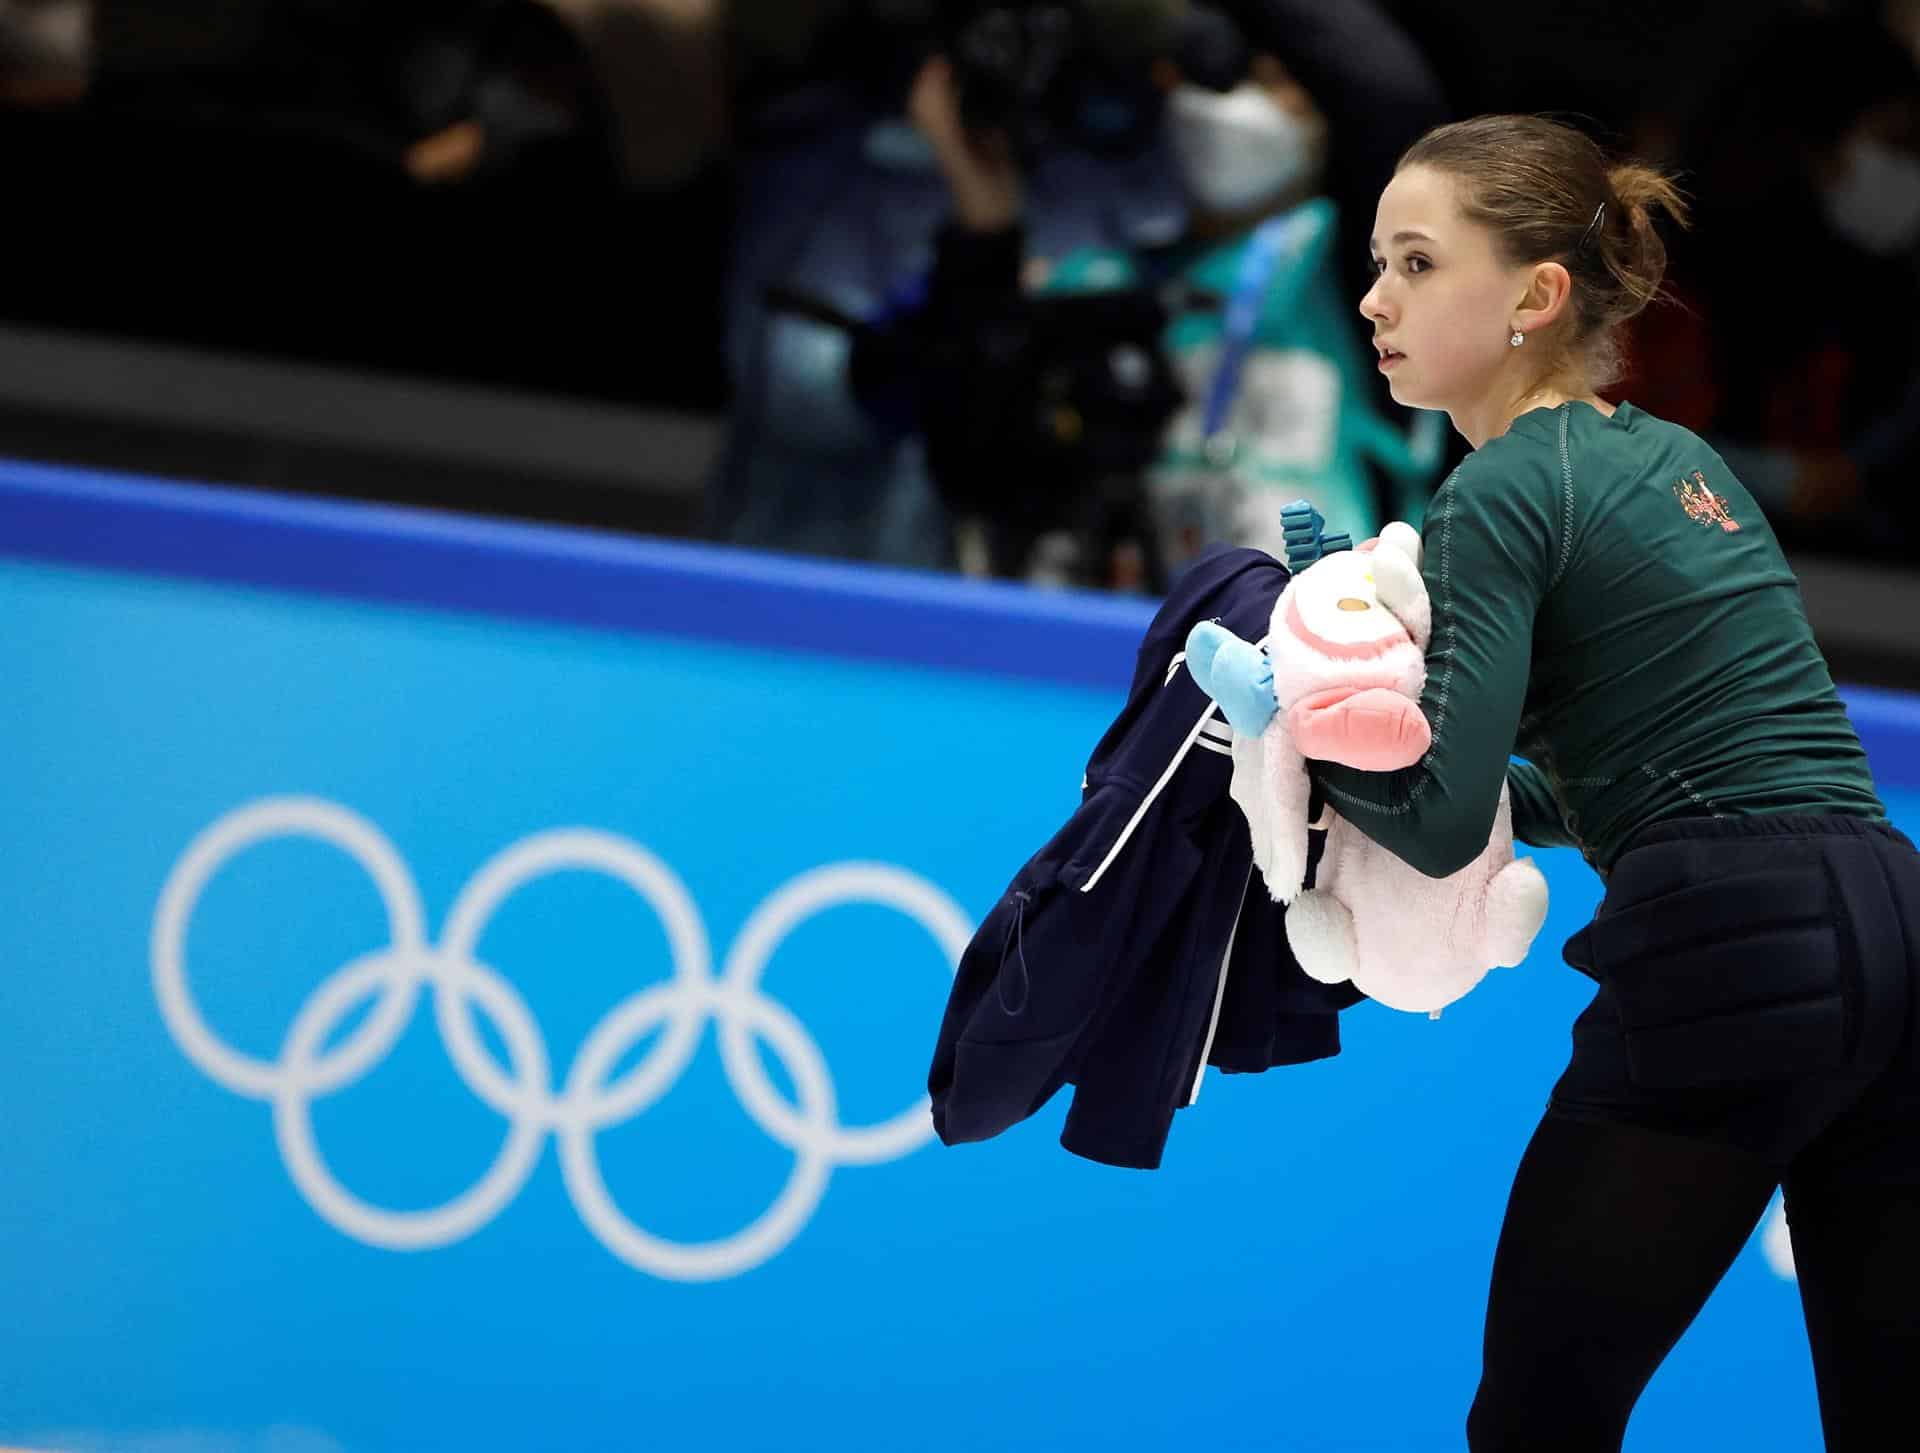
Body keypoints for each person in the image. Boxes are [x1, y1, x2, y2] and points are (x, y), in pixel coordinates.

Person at [1314, 114, 1920, 1450]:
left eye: (1416, 263)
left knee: (1541, 1416)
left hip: (1740, 949)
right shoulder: (1680, 461)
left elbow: (1429, 819)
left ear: (1536, 298)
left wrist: (1306, 757)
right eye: (1376, 261)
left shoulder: (1498, 494)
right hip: (1894, 918)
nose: (1373, 298)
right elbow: (1648, 779)